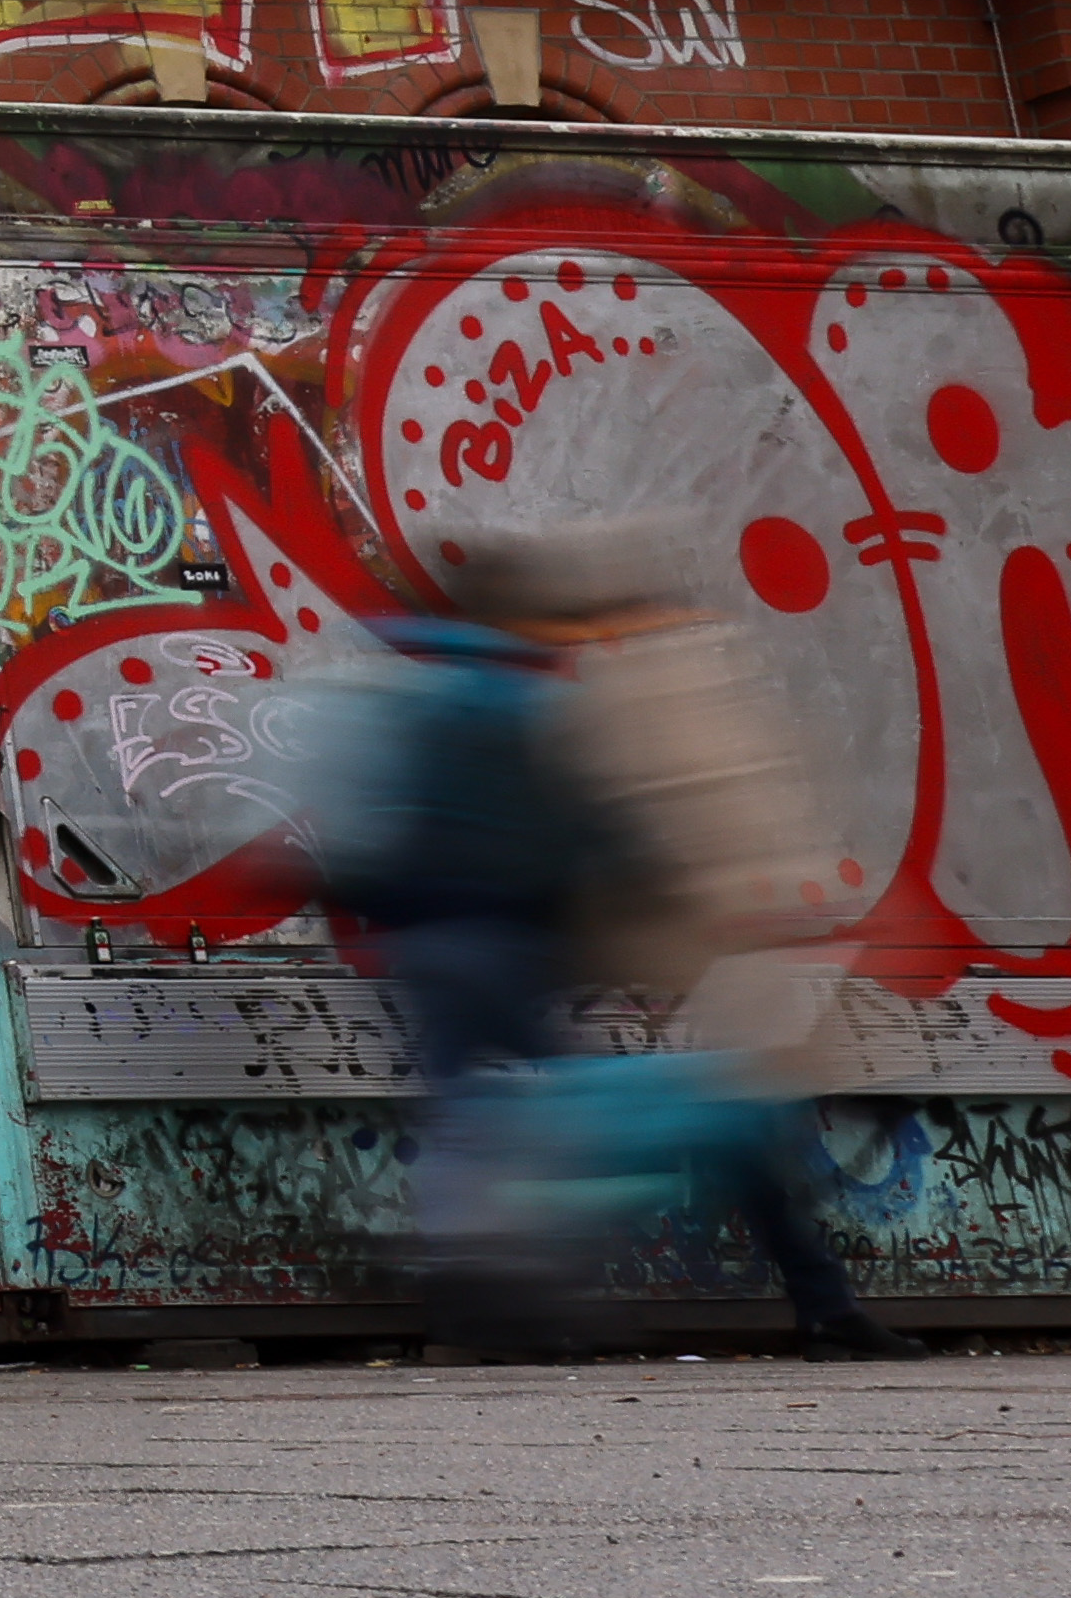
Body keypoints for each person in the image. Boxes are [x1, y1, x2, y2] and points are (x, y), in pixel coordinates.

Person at [544, 537, 904, 1357]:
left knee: (748, 1128)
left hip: (720, 942)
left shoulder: (643, 677)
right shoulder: (659, 680)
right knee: (733, 1127)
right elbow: (710, 815)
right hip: (712, 943)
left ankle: (823, 1304)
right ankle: (532, 1272)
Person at [283, 549, 594, 1357]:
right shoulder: (523, 701)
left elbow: (364, 820)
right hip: (509, 934)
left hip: (423, 938)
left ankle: (463, 1285)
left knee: (459, 1106)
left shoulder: (404, 695)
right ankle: (538, 1283)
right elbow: (565, 827)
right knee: (563, 1100)